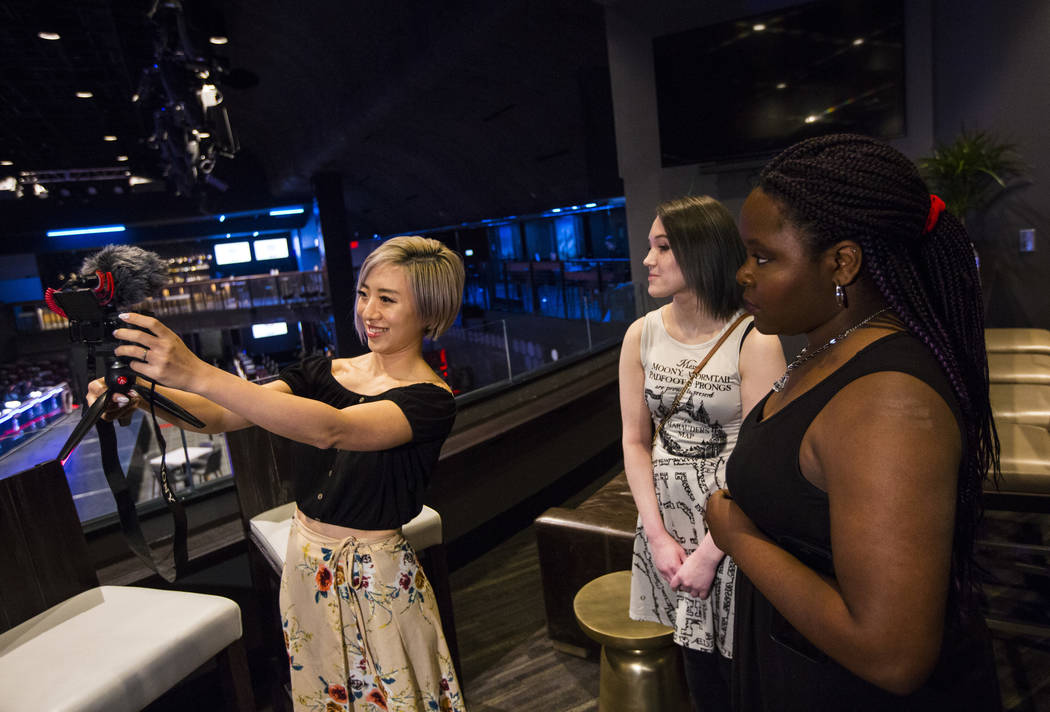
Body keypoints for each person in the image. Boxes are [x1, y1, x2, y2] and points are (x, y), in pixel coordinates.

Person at [89, 235, 467, 712]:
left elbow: (332, 429)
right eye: (364, 293)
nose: (369, 311)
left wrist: (197, 370)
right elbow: (222, 414)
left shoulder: (432, 400)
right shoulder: (324, 371)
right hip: (306, 560)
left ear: (430, 313)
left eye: (387, 300)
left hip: (375, 578)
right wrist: (144, 394)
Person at [705, 134, 1001, 710]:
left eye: (762, 257)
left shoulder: (887, 402)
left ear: (842, 261)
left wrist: (736, 534)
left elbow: (892, 655)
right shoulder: (827, 347)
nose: (743, 274)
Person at [620, 195, 785, 711]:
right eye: (651, 246)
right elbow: (633, 439)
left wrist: (714, 550)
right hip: (665, 526)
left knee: (740, 670)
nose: (649, 259)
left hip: (732, 525)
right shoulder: (640, 334)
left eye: (664, 247)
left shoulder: (754, 338)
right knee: (695, 670)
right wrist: (657, 536)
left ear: (703, 252)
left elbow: (762, 460)